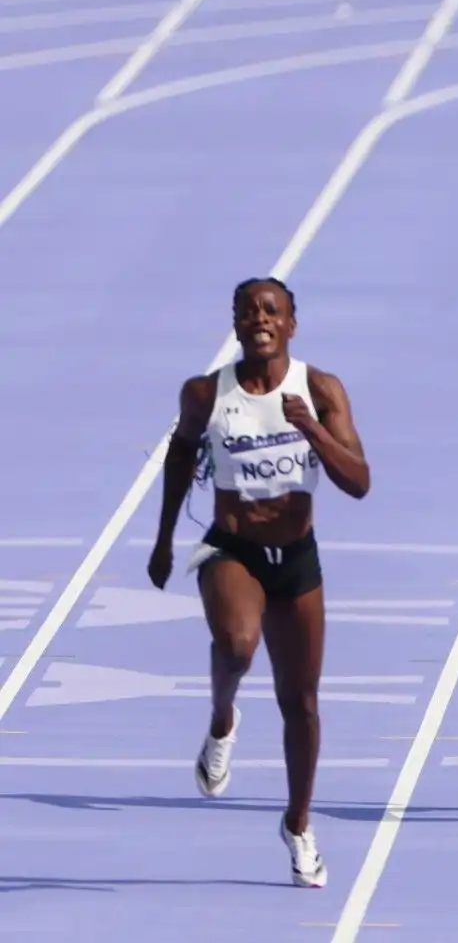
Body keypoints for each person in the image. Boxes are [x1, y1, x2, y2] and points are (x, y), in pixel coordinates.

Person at [147, 277, 372, 888]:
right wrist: (165, 540)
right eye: (248, 311)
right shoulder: (205, 394)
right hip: (232, 547)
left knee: (300, 703)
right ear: (236, 324)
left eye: (272, 310)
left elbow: (359, 481)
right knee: (239, 643)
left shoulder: (319, 390)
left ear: (292, 324)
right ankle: (222, 721)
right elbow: (177, 458)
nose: (260, 319)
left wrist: (313, 431)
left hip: (297, 556)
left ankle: (298, 825)